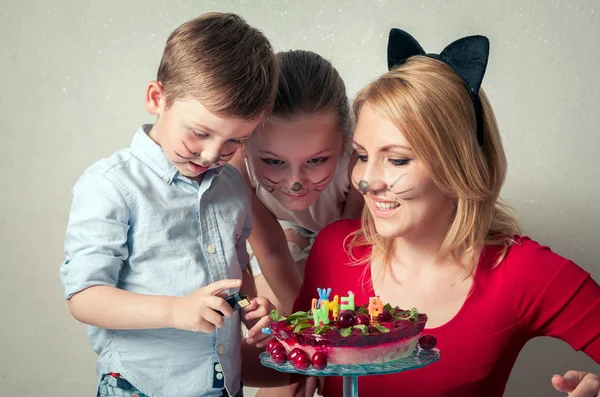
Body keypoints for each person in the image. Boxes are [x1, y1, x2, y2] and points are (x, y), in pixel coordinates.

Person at [288, 29, 600, 396]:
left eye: (397, 159)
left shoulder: (523, 273)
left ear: (458, 165)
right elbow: (290, 374)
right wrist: (233, 340)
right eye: (362, 155)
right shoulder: (334, 248)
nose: (366, 181)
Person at [59, 13, 279, 397]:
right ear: (156, 99)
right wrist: (175, 311)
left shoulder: (230, 185)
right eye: (200, 132)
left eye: (234, 142)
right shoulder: (110, 185)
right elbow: (85, 298)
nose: (213, 153)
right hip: (140, 384)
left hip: (223, 382)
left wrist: (247, 304)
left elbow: (236, 262)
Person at [231, 49, 364, 316]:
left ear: (343, 141)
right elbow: (272, 252)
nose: (295, 183)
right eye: (274, 162)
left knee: (348, 310)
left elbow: (347, 249)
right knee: (278, 318)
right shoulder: (236, 166)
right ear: (244, 144)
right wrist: (304, 323)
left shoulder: (359, 157)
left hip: (353, 234)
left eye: (316, 161)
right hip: (287, 227)